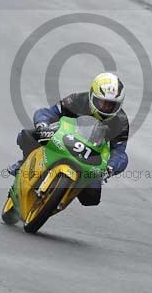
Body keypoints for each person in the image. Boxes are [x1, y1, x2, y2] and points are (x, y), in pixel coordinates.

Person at [7, 72, 129, 206]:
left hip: (91, 156)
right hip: (64, 138)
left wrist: (111, 168)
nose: (106, 108)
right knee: (29, 135)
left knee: (91, 198)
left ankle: (64, 196)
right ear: (92, 96)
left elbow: (120, 152)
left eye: (111, 105)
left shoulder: (121, 122)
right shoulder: (77, 100)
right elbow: (49, 113)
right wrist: (43, 124)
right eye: (102, 102)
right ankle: (23, 164)